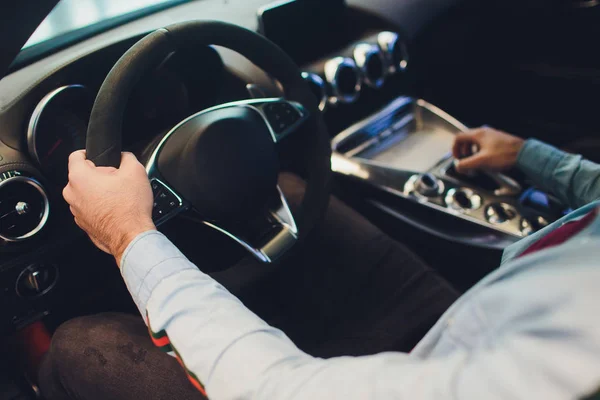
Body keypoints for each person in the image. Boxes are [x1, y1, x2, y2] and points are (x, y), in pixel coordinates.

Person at [39, 127, 600, 400]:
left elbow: (281, 391)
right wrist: (529, 155)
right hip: (475, 328)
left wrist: (130, 235)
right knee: (286, 189)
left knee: (76, 344)